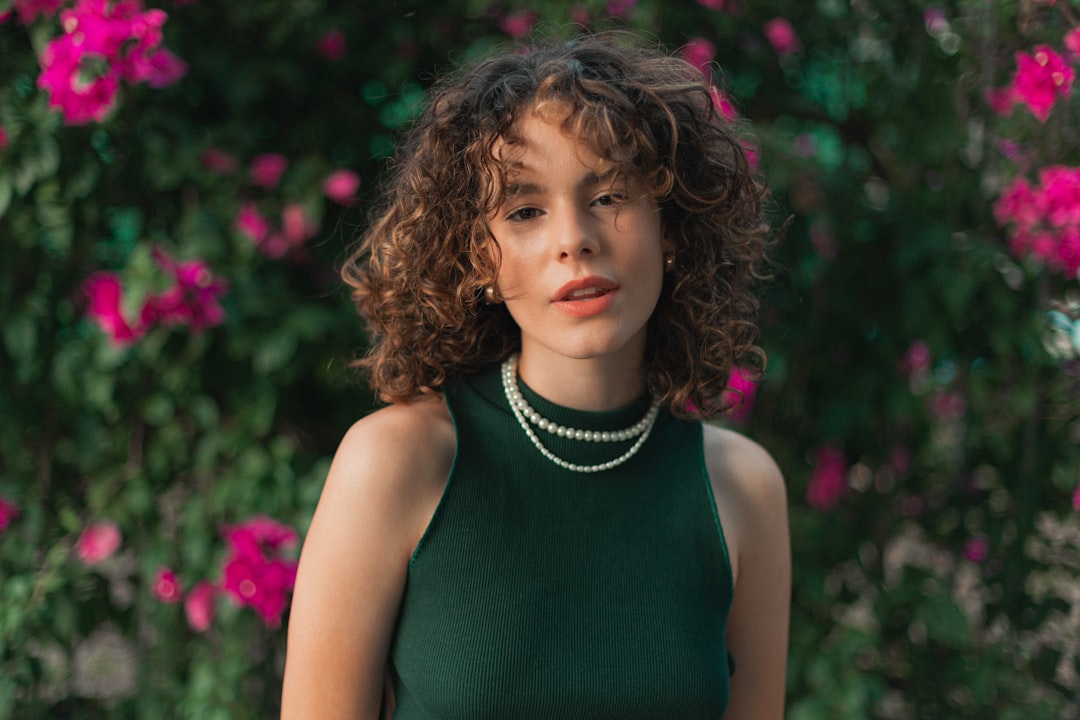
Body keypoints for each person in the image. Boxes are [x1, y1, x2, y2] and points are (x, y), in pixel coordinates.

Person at [281, 32, 790, 720]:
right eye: (524, 210)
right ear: (477, 260)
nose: (573, 238)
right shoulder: (395, 463)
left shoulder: (741, 488)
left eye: (610, 193)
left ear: (669, 222)